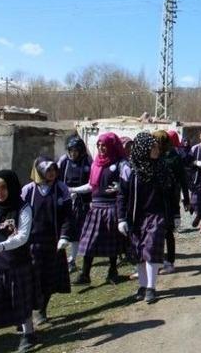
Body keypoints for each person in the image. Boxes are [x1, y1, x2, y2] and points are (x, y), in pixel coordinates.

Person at [117, 132, 180, 304]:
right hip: (136, 216)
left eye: (157, 146)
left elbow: (171, 193)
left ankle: (151, 287)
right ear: (143, 148)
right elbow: (122, 195)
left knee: (151, 249)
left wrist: (175, 214)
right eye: (153, 146)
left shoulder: (162, 168)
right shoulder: (129, 169)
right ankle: (142, 285)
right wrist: (121, 218)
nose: (157, 149)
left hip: (157, 215)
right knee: (138, 251)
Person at [0, 170, 37, 353]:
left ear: (11, 187)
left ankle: (28, 334)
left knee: (22, 305)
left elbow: (22, 237)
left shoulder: (23, 208)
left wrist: (1, 246)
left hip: (16, 266)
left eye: (3, 187)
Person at [22, 157, 73, 326]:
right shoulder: (28, 190)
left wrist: (65, 236)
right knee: (30, 278)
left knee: (48, 278)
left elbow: (67, 215)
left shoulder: (61, 189)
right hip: (32, 242)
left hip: (53, 241)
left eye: (53, 169)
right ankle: (26, 314)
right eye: (48, 170)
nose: (51, 173)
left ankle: (42, 309)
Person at [73, 132, 128, 286]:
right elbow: (92, 185)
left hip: (112, 207)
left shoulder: (121, 163)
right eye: (99, 145)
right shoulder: (96, 163)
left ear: (111, 145)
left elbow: (129, 182)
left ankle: (112, 271)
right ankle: (85, 273)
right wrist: (73, 189)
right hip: (96, 207)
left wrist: (121, 187)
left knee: (112, 242)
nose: (101, 148)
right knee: (89, 241)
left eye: (104, 145)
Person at [57, 135, 91, 273]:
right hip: (65, 200)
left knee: (76, 231)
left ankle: (72, 259)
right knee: (63, 229)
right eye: (71, 150)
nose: (73, 153)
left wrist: (75, 190)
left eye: (76, 150)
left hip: (81, 202)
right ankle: (60, 259)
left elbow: (92, 184)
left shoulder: (88, 162)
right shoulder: (64, 161)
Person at [159, 130, 190, 275]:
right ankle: (158, 260)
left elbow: (183, 180)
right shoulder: (155, 156)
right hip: (158, 199)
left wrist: (186, 200)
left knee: (168, 231)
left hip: (172, 197)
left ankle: (170, 261)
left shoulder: (174, 158)